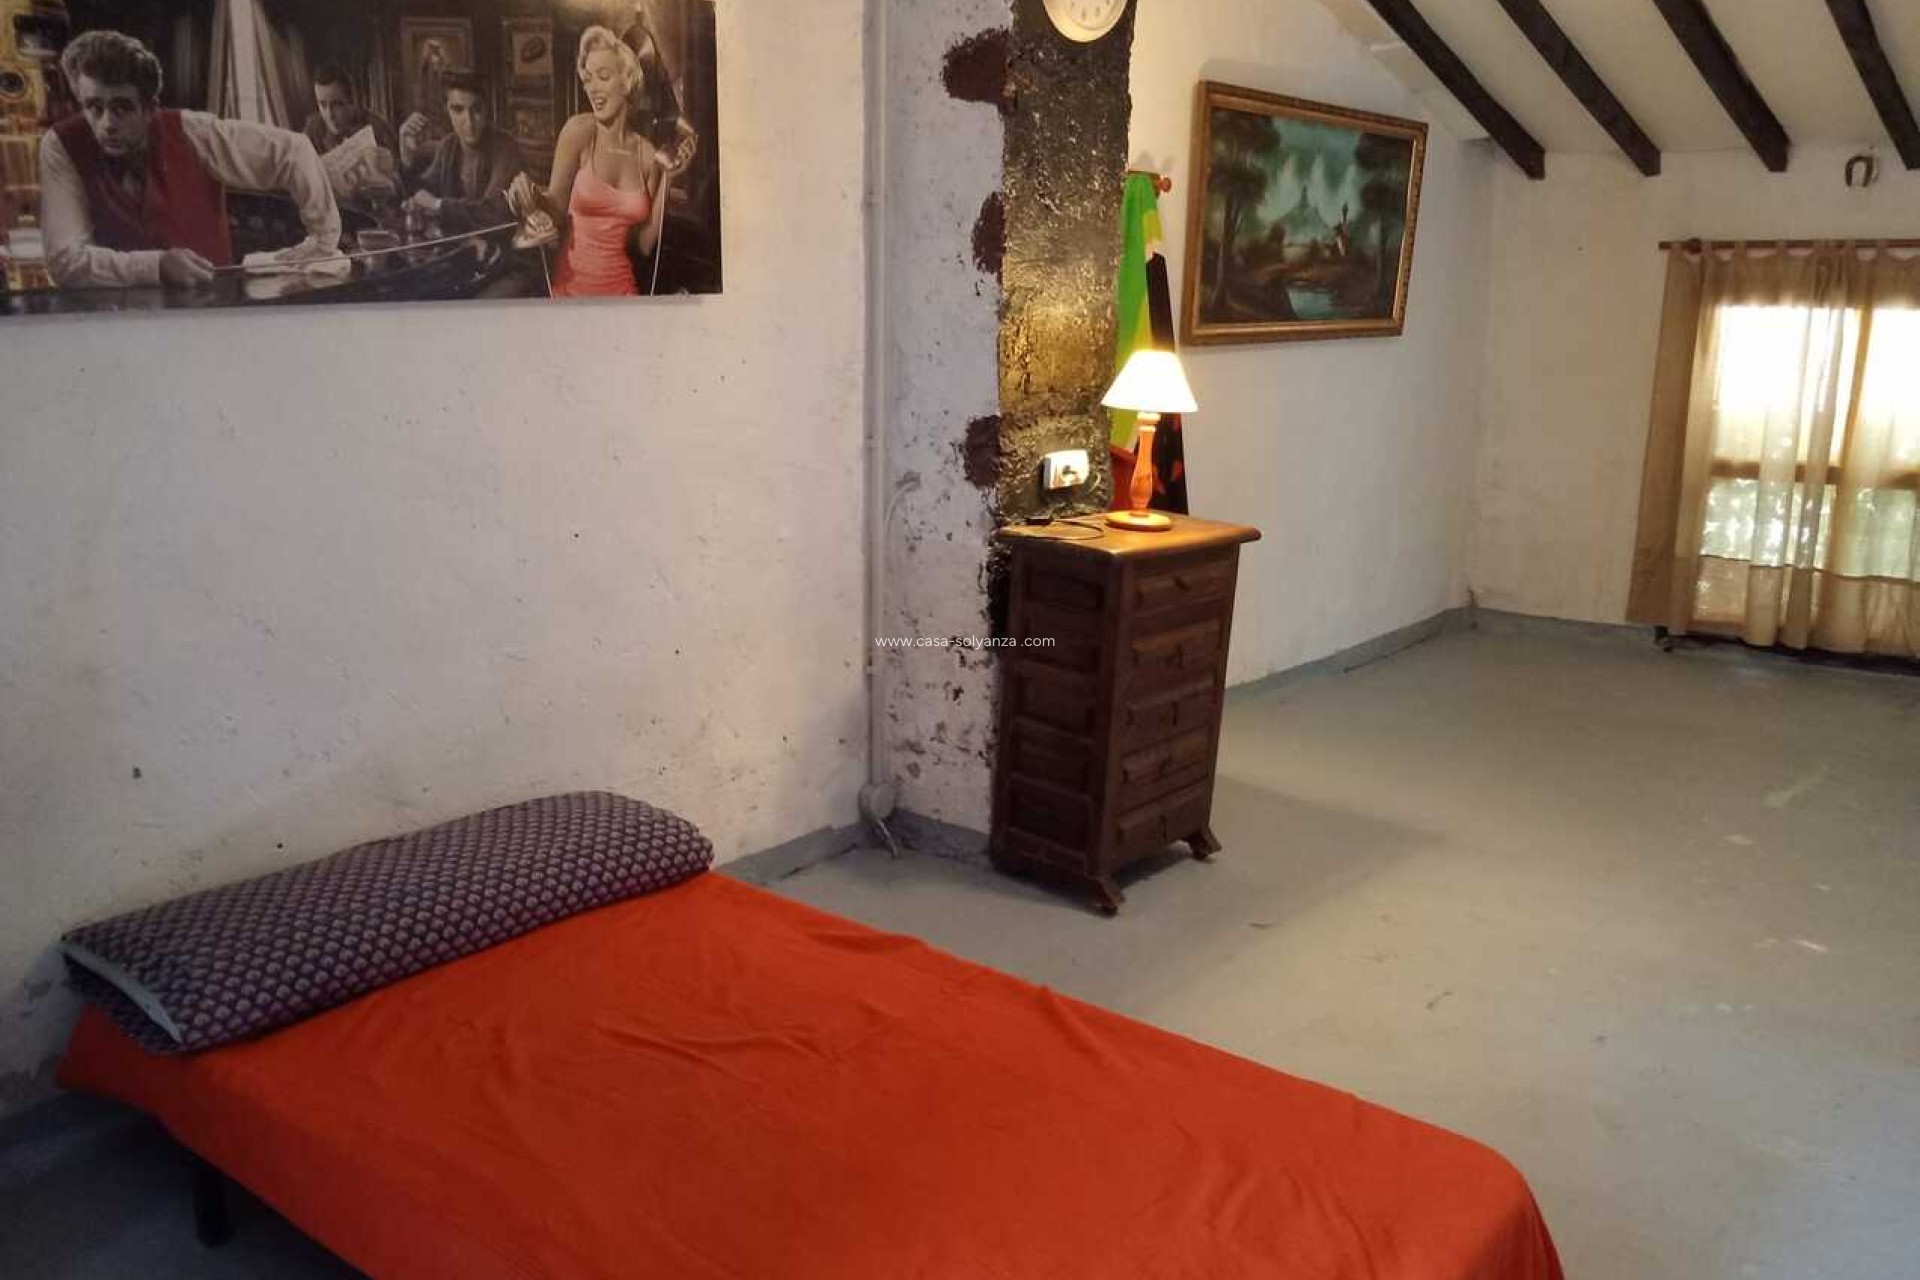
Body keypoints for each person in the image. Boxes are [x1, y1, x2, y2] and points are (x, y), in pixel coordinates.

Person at [39, 29, 339, 289]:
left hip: (213, 312)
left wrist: (323, 240)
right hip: (119, 321)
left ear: (149, 109)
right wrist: (156, 266)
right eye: (94, 107)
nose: (107, 125)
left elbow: (294, 150)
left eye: (122, 108)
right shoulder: (62, 144)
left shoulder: (194, 132)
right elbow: (64, 261)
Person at [507, 25, 692, 297]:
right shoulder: (578, 132)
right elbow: (554, 211)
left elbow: (644, 244)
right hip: (571, 293)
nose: (592, 88)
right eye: (588, 79)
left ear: (627, 81)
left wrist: (668, 177)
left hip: (623, 291)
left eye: (603, 77)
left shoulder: (647, 154)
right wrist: (528, 196)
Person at [399, 69, 523, 233]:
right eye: (458, 110)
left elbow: (495, 212)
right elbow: (424, 190)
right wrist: (406, 158)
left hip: (497, 245)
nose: (469, 122)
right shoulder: (448, 146)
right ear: (448, 110)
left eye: (476, 109)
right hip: (458, 243)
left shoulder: (506, 148)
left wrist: (438, 205)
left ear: (487, 109)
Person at [302, 63, 398, 158]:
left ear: (351, 101)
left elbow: (398, 163)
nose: (330, 115)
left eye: (337, 104)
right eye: (322, 105)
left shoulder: (377, 129)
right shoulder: (313, 130)